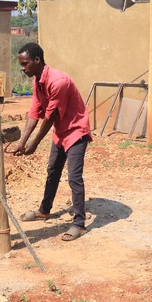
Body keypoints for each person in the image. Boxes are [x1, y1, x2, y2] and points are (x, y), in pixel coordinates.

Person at [11, 42, 92, 241]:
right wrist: (23, 142)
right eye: (21, 65)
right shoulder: (37, 81)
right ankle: (44, 210)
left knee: (74, 177)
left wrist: (35, 143)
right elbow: (34, 113)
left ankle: (79, 224)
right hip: (60, 132)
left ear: (37, 60)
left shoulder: (58, 81)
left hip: (75, 130)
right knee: (53, 171)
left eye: (25, 64)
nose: (23, 69)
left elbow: (51, 115)